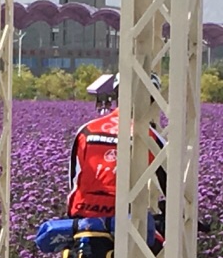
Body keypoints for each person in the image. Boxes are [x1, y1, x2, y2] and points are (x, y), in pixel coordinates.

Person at [66, 72, 167, 220]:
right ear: (152, 100)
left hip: (82, 214)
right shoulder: (149, 136)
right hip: (124, 217)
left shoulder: (86, 130)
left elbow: (73, 179)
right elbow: (169, 184)